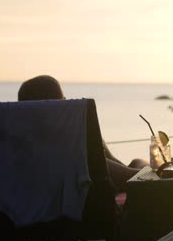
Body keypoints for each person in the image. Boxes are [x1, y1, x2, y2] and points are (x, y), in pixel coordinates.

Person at [18, 75, 147, 191]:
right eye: (64, 100)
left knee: (138, 162)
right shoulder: (72, 151)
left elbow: (116, 165)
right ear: (57, 108)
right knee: (142, 165)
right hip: (93, 211)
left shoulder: (18, 150)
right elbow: (131, 179)